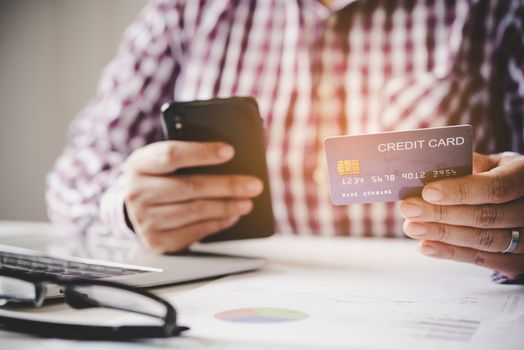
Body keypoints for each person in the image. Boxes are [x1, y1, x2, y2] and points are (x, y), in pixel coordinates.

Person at [46, 0, 524, 282]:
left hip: (436, 307)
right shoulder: (188, 8)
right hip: (229, 302)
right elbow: (77, 169)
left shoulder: (494, 10)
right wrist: (126, 208)